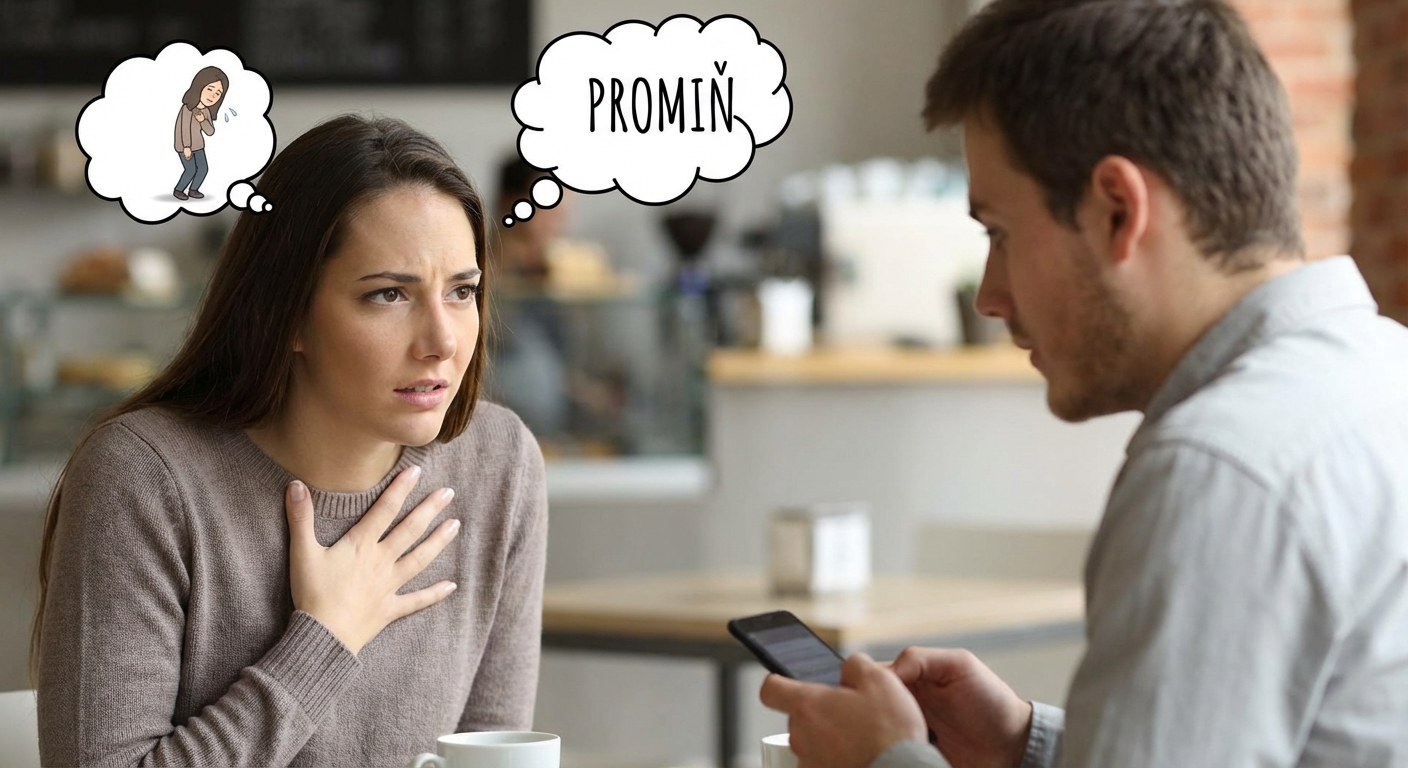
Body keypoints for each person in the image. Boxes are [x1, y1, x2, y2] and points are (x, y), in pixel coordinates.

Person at [759, 1, 1408, 767]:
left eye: (997, 231)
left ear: (1116, 209)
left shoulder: (1217, 469)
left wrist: (886, 760)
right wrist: (1027, 746)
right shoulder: (1380, 372)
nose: (988, 297)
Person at [33, 115, 548, 766]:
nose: (443, 342)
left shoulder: (498, 465)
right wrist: (325, 637)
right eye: (389, 294)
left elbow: (488, 755)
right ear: (289, 314)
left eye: (463, 291)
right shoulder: (144, 479)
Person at [173, 66, 227, 201]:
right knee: (190, 170)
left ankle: (193, 189)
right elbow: (183, 128)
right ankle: (179, 189)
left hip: (199, 146)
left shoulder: (206, 111)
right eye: (210, 89)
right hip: (185, 146)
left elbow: (210, 131)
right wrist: (186, 147)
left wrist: (203, 121)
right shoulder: (187, 109)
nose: (213, 96)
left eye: (218, 93)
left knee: (203, 169)